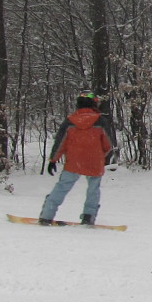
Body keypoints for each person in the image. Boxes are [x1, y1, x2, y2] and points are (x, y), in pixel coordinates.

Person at [40, 94, 115, 226]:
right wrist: (101, 154)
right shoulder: (100, 121)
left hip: (74, 161)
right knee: (93, 189)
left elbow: (60, 142)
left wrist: (53, 160)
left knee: (62, 187)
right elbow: (108, 143)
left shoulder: (70, 121)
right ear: (94, 104)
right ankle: (88, 217)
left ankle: (46, 215)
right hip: (94, 160)